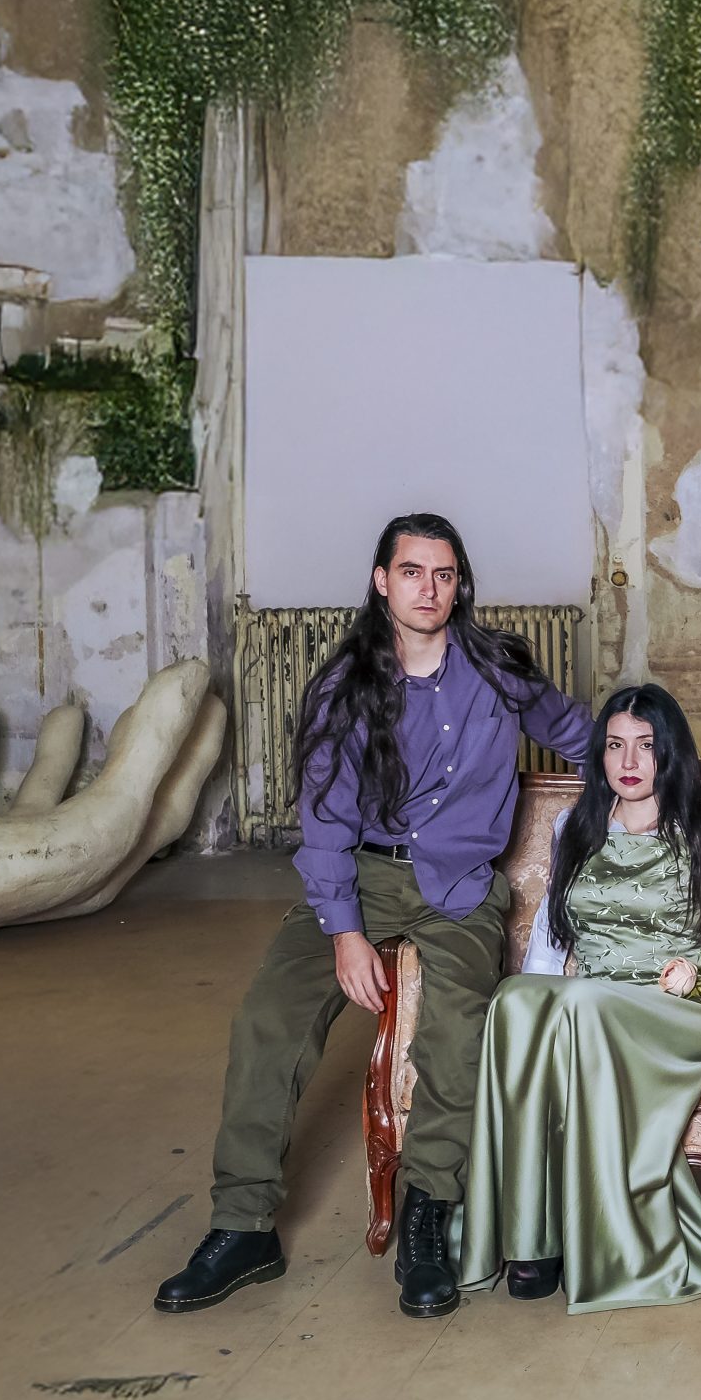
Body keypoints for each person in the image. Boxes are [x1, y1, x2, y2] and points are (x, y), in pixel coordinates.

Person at [156, 513, 599, 1320]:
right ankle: (242, 1225)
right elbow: (325, 818)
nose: (429, 588)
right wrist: (346, 933)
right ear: (381, 581)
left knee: (458, 1031)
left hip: (460, 885)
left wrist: (665, 759)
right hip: (359, 875)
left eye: (444, 574)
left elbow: (580, 733)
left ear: (459, 585)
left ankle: (427, 1216)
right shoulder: (346, 684)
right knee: (268, 1018)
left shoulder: (499, 670)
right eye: (412, 571)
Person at [455, 683, 701, 1313]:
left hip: (673, 1012)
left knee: (580, 1004)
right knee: (515, 999)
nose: (629, 761)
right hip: (588, 1009)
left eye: (645, 745)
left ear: (669, 753)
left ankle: (587, 1242)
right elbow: (550, 943)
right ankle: (529, 1234)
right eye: (615, 745)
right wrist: (532, 1005)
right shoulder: (574, 829)